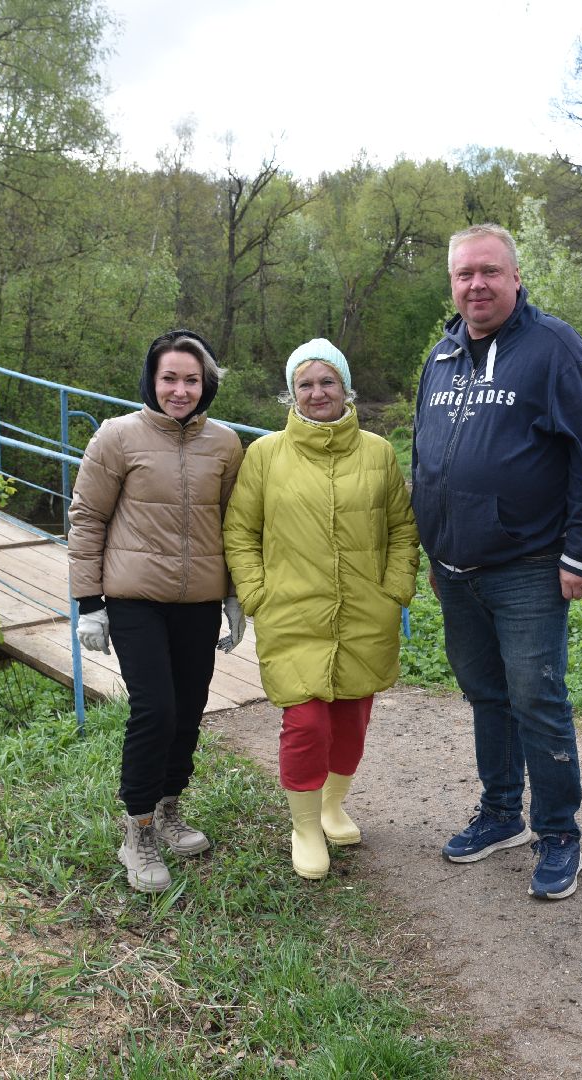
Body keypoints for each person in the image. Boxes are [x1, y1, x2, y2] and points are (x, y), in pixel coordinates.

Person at [411, 223, 582, 902]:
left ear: (516, 276)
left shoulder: (554, 349)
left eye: (489, 272)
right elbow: (426, 455)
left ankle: (558, 830)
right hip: (454, 567)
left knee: (537, 696)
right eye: (464, 274)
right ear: (452, 282)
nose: (476, 285)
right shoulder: (441, 358)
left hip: (530, 565)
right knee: (485, 695)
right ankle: (501, 812)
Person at [223, 338, 418, 881]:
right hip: (292, 612)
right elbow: (240, 532)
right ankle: (305, 825)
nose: (317, 393)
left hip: (364, 611)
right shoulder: (264, 455)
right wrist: (258, 593)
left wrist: (395, 587)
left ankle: (333, 806)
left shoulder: (378, 452)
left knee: (351, 720)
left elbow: (402, 526)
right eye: (305, 384)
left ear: (345, 389)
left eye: (327, 381)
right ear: (291, 395)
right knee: (306, 721)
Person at [68, 329, 245, 894]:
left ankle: (169, 808)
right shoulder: (117, 437)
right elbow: (88, 517)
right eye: (169, 378)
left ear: (206, 385)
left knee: (190, 709)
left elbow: (237, 525)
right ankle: (137, 828)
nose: (180, 390)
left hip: (197, 602)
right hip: (133, 598)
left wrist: (235, 593)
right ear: (151, 379)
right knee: (156, 710)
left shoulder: (225, 444)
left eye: (191, 380)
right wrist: (89, 604)